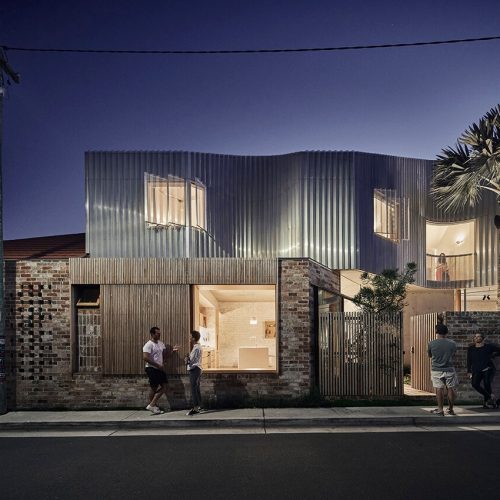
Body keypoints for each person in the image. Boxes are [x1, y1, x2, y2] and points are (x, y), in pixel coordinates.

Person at [142, 326, 179, 415]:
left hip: (160, 368)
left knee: (165, 386)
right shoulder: (148, 345)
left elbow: (164, 356)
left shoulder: (161, 344)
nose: (159, 335)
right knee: (154, 388)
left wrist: (172, 351)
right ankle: (153, 406)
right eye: (157, 333)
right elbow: (145, 358)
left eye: (159, 333)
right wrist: (157, 365)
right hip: (151, 368)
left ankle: (152, 405)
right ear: (152, 334)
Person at [428, 322, 458, 416]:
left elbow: (430, 355)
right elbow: (453, 354)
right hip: (449, 369)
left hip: (436, 369)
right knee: (450, 388)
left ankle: (440, 410)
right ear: (446, 332)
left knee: (439, 389)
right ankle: (450, 409)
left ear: (436, 332)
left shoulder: (431, 343)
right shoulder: (452, 343)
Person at [467, 333, 500, 408]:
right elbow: (469, 360)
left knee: (486, 384)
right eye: (475, 337)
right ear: (474, 339)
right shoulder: (471, 348)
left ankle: (486, 403)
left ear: (482, 338)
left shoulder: (488, 347)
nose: (477, 338)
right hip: (476, 369)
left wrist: (493, 355)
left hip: (487, 368)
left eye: (479, 336)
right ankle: (490, 397)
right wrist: (469, 371)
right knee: (475, 384)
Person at [185, 330, 203, 416]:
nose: (189, 338)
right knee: (196, 388)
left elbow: (190, 360)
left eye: (190, 336)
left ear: (193, 338)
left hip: (194, 369)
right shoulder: (198, 347)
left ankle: (195, 408)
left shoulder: (196, 348)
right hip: (197, 369)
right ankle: (199, 406)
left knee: (193, 389)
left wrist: (187, 358)